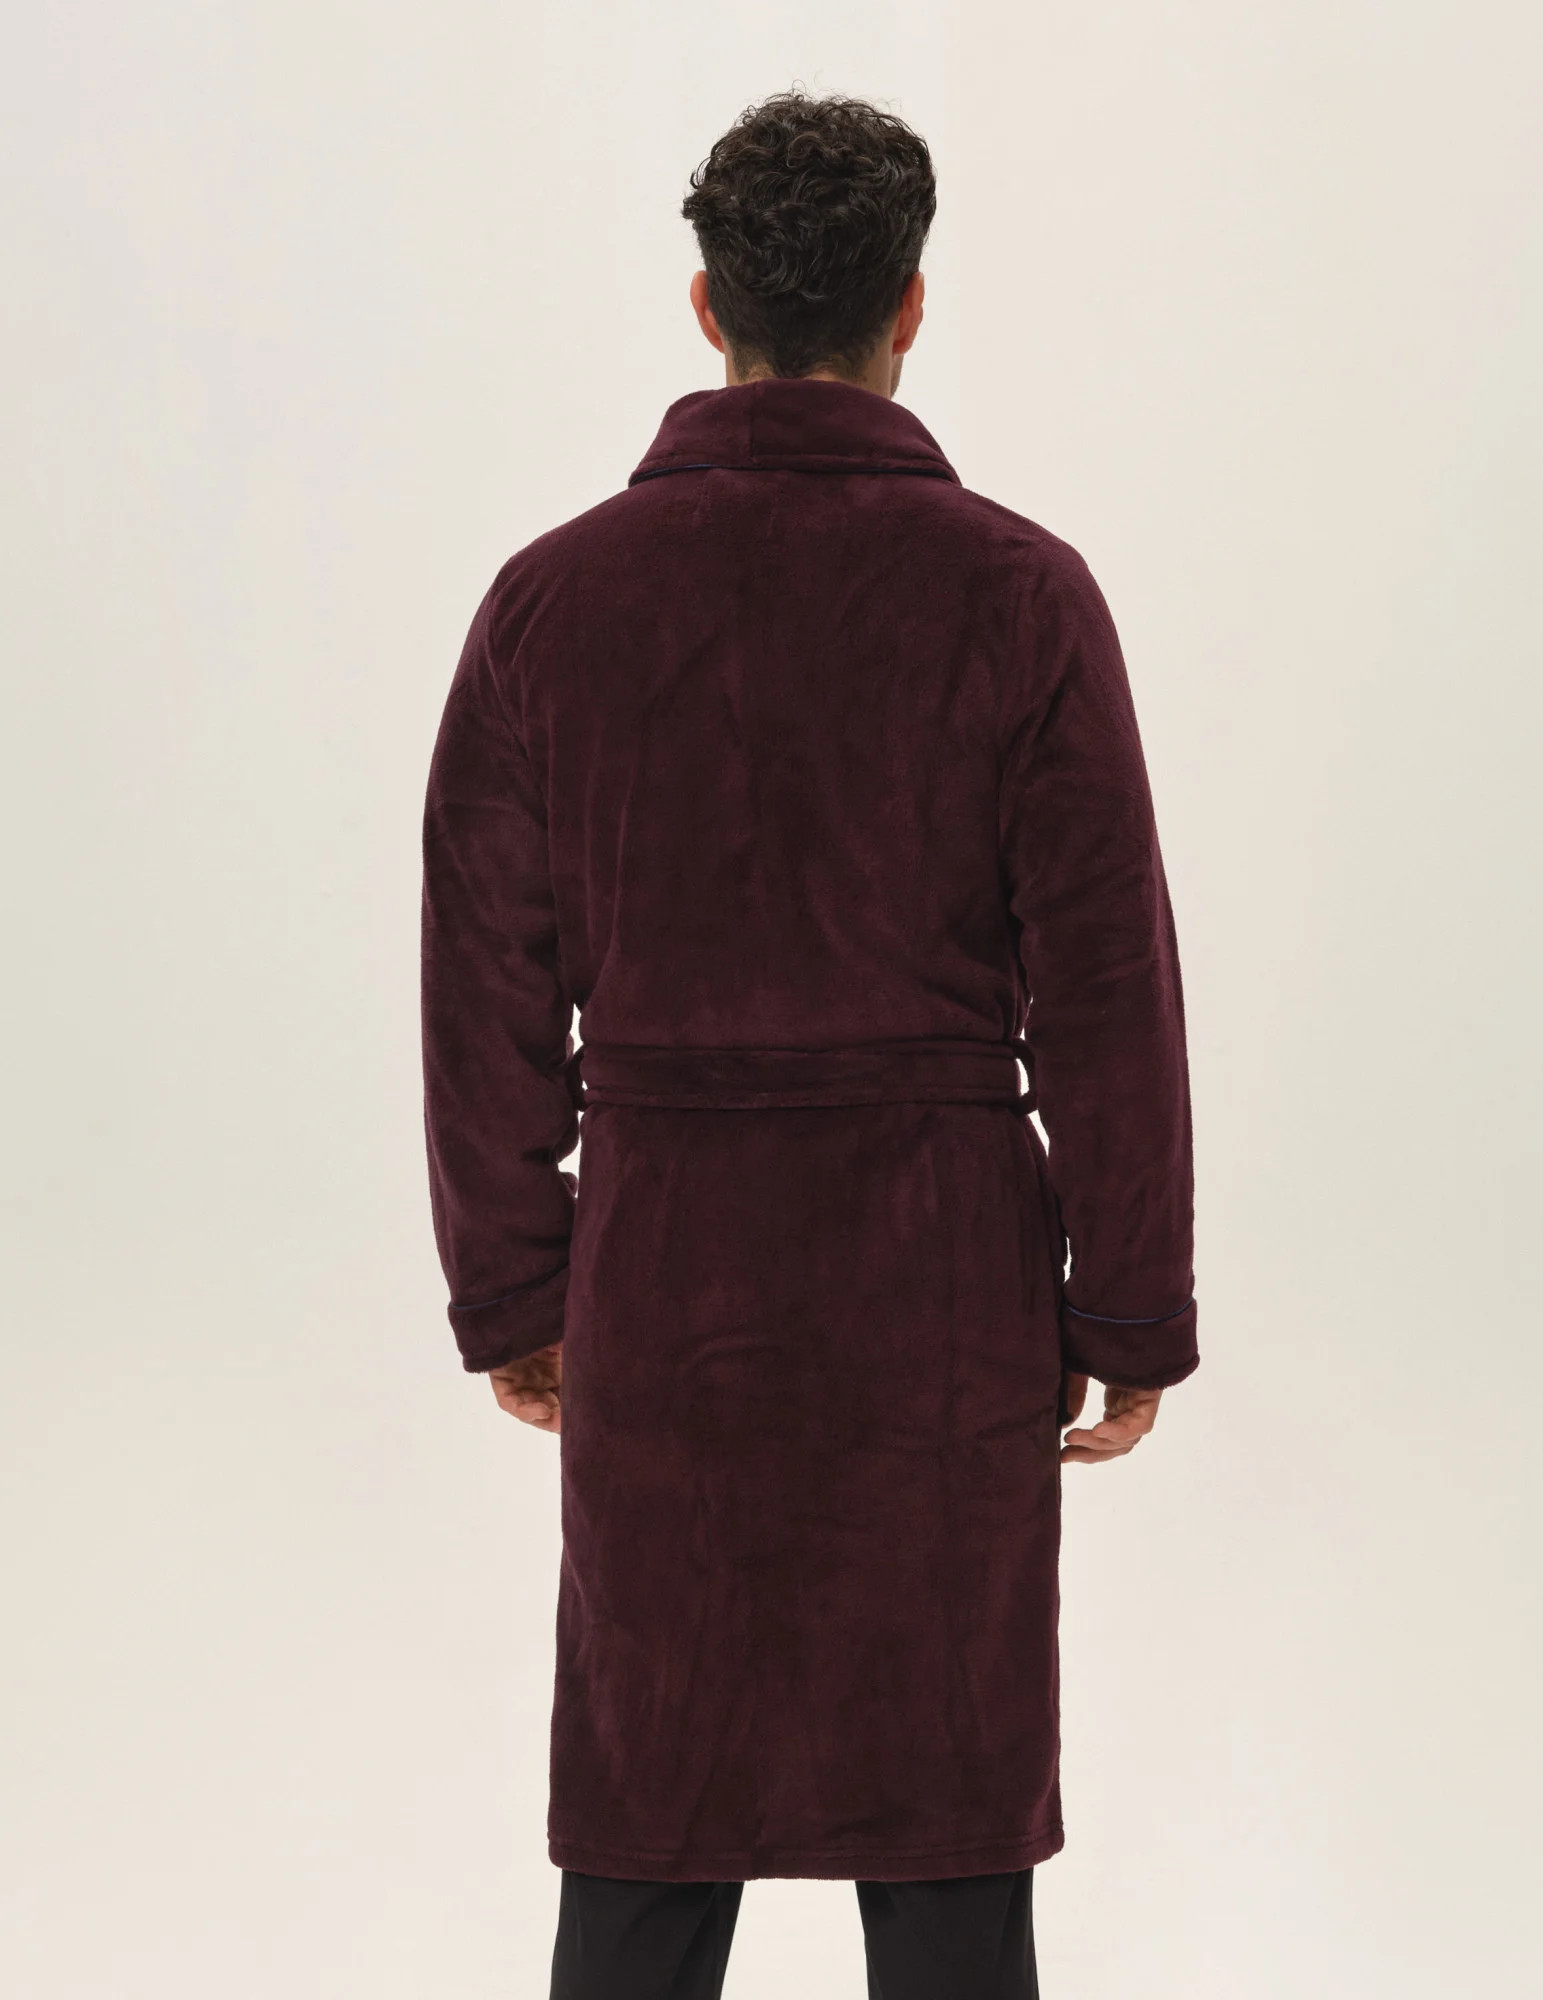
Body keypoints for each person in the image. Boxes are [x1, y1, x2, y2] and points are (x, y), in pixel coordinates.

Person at [420, 89, 1199, 2000]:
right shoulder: (1020, 595)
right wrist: (1125, 1304)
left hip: (664, 1274)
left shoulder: (550, 603)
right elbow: (1106, 985)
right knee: (942, 1825)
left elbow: (480, 984)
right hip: (940, 1282)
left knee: (648, 1816)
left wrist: (517, 1282)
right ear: (909, 305)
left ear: (706, 307)